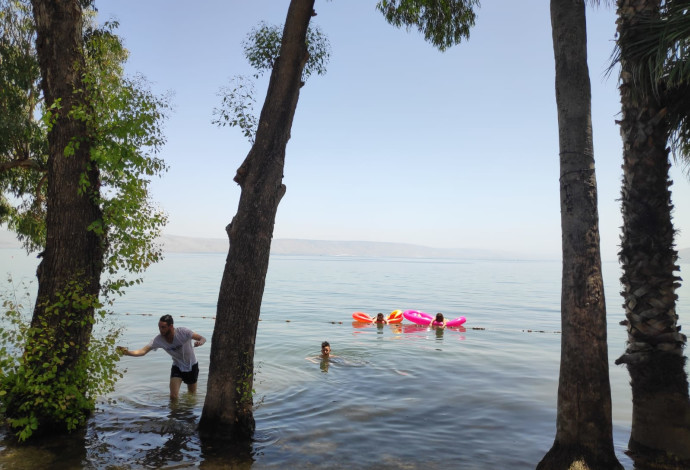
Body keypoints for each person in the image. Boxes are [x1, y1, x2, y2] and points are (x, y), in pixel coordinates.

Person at [117, 314, 206, 399]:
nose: (161, 330)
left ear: (171, 326)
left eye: (163, 327)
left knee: (191, 395)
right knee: (173, 396)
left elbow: (202, 338)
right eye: (159, 327)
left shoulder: (183, 332)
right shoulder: (158, 340)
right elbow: (142, 351)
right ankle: (174, 413)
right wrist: (127, 352)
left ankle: (189, 413)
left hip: (192, 365)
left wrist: (200, 342)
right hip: (177, 366)